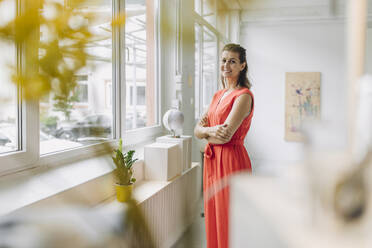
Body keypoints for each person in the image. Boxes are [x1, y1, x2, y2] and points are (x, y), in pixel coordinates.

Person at [194, 43, 254, 248]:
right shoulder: (217, 96)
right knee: (212, 213)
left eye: (232, 61)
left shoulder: (244, 96)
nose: (226, 65)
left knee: (228, 216)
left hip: (231, 161)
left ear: (242, 65)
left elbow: (226, 136)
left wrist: (205, 132)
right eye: (223, 60)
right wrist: (209, 131)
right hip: (212, 161)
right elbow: (197, 130)